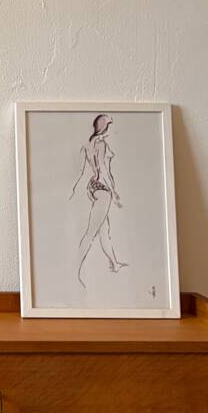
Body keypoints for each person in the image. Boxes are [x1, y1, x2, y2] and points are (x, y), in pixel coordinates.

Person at [68, 113, 129, 285]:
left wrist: (76, 191)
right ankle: (74, 273)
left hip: (93, 187)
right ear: (105, 127)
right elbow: (103, 168)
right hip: (103, 189)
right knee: (90, 233)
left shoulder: (87, 145)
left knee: (104, 231)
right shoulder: (101, 144)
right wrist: (114, 191)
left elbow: (80, 172)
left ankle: (115, 263)